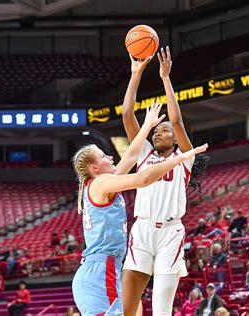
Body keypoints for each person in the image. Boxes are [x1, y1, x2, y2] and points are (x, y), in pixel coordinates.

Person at [72, 102, 207, 315]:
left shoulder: (109, 181)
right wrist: (180, 158)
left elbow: (132, 155)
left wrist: (146, 125)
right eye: (104, 156)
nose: (111, 157)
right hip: (102, 268)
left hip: (106, 266)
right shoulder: (101, 183)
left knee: (137, 310)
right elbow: (143, 178)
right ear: (94, 168)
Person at [122, 47, 208, 316]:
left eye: (164, 131)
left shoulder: (186, 158)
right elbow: (127, 115)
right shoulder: (145, 153)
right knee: (126, 307)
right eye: (156, 131)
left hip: (171, 233)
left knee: (161, 310)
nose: (159, 132)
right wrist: (135, 75)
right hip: (143, 228)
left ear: (175, 139)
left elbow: (177, 120)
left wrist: (165, 78)